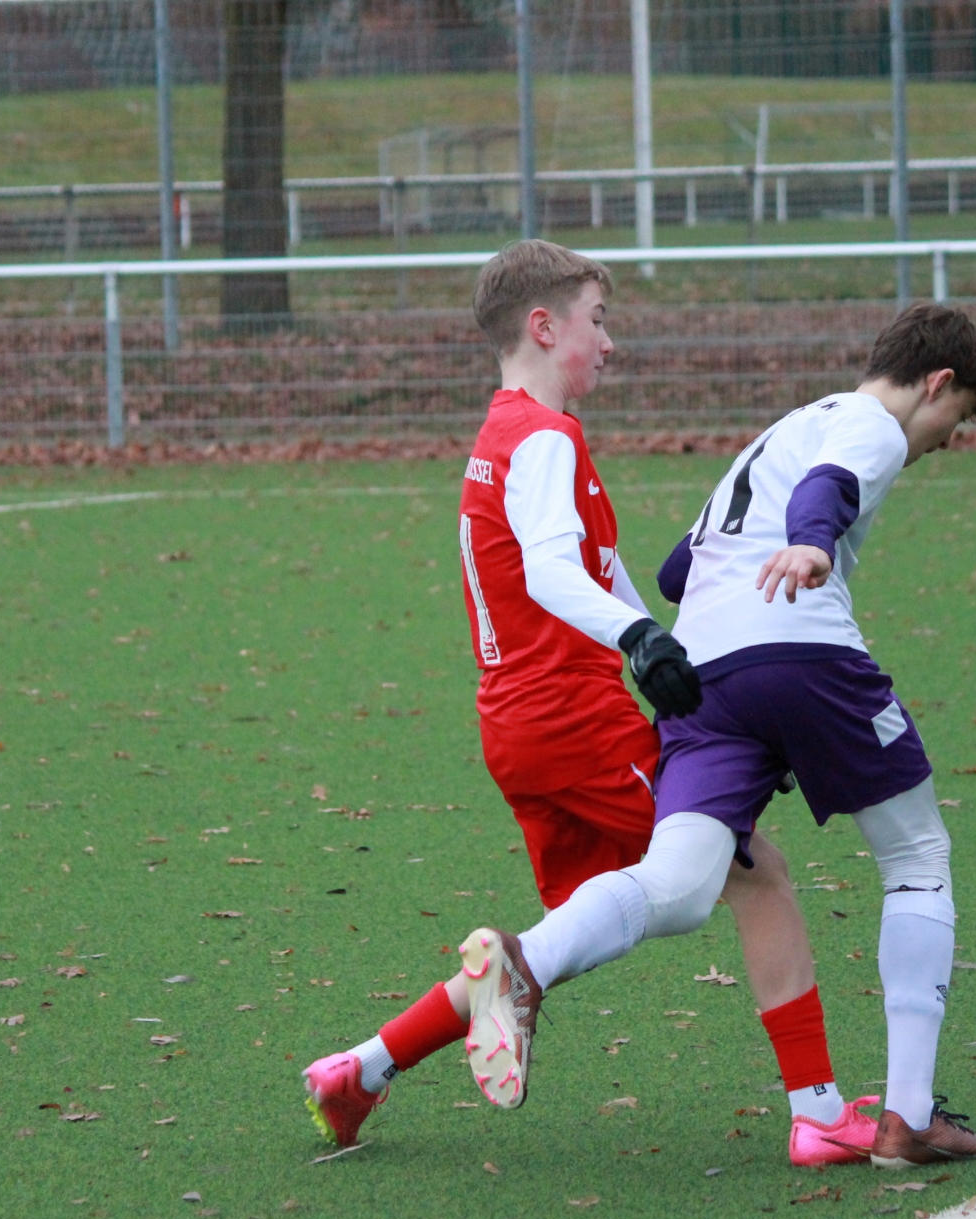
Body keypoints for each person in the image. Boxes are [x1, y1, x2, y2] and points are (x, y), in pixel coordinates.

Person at [301, 240, 868, 1168]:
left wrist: (675, 651)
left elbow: (594, 572)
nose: (608, 342)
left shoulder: (505, 434)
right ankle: (818, 1113)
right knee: (755, 875)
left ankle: (359, 1071)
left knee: (564, 937)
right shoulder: (544, 439)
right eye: (596, 321)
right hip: (572, 716)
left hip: (517, 726)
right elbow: (553, 573)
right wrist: (640, 642)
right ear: (543, 325)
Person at [456, 302, 976, 1168]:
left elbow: (679, 568)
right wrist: (814, 546)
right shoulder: (870, 423)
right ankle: (908, 1117)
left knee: (680, 884)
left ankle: (528, 961)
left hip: (705, 681)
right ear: (937, 382)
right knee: (917, 856)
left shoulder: (782, 431)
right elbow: (827, 493)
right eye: (958, 418)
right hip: (802, 648)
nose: (945, 441)